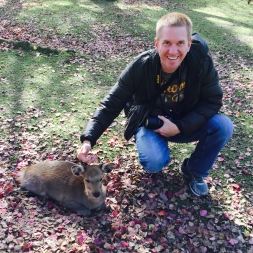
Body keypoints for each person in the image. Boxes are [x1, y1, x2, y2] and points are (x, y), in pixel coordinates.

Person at [77, 12, 234, 197]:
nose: (173, 51)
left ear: (189, 44)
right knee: (153, 163)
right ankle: (157, 152)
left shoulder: (201, 63)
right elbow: (112, 102)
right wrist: (88, 139)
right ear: (157, 43)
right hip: (149, 122)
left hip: (185, 121)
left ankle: (194, 170)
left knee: (224, 126)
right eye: (167, 42)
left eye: (180, 43)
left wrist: (179, 126)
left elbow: (212, 100)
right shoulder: (141, 66)